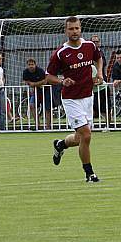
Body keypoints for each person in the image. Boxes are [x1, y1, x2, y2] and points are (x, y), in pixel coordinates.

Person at [47, 16, 104, 183]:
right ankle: (89, 173)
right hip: (71, 99)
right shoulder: (60, 53)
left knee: (80, 138)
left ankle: (60, 145)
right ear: (66, 31)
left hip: (88, 97)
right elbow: (48, 76)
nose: (74, 31)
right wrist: (61, 81)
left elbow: (98, 57)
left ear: (80, 29)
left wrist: (99, 73)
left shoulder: (89, 46)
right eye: (71, 29)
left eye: (77, 28)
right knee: (86, 135)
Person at [22, 57, 52, 129]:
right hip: (36, 91)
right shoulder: (25, 72)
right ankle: (38, 125)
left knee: (47, 108)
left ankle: (48, 126)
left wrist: (34, 84)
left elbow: (45, 81)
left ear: (35, 64)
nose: (31, 66)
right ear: (27, 65)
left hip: (46, 90)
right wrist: (33, 84)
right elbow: (27, 82)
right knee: (32, 105)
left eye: (32, 64)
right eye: (29, 64)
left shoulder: (40, 71)